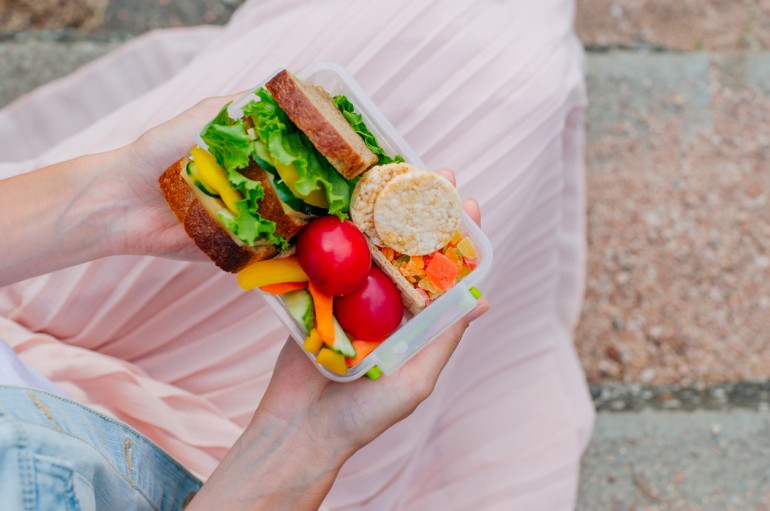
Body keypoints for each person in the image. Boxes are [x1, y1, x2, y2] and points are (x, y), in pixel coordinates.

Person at [0, 0, 594, 509]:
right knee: (515, 68)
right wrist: (303, 445)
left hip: (44, 269)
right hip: (231, 471)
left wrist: (110, 201)